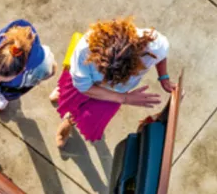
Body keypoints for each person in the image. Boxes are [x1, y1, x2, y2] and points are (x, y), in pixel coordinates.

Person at [50, 17, 175, 146]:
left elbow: (161, 55)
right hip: (86, 83)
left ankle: (70, 118)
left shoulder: (153, 44)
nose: (107, 81)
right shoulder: (84, 49)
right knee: (72, 99)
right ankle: (68, 116)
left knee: (91, 117)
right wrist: (124, 98)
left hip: (116, 93)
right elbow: (84, 87)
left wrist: (163, 77)